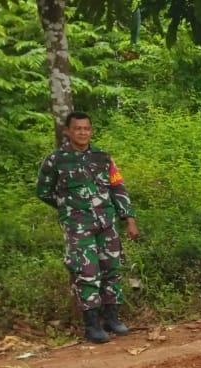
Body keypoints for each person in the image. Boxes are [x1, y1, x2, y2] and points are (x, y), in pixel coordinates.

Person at [36, 112, 141, 344]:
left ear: (91, 131)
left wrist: (129, 219)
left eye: (86, 128)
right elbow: (43, 191)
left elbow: (118, 188)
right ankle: (92, 325)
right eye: (77, 128)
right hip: (78, 227)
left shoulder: (103, 158)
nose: (82, 132)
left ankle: (112, 319)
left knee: (112, 269)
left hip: (107, 223)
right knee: (87, 272)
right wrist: (67, 208)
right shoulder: (56, 160)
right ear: (67, 131)